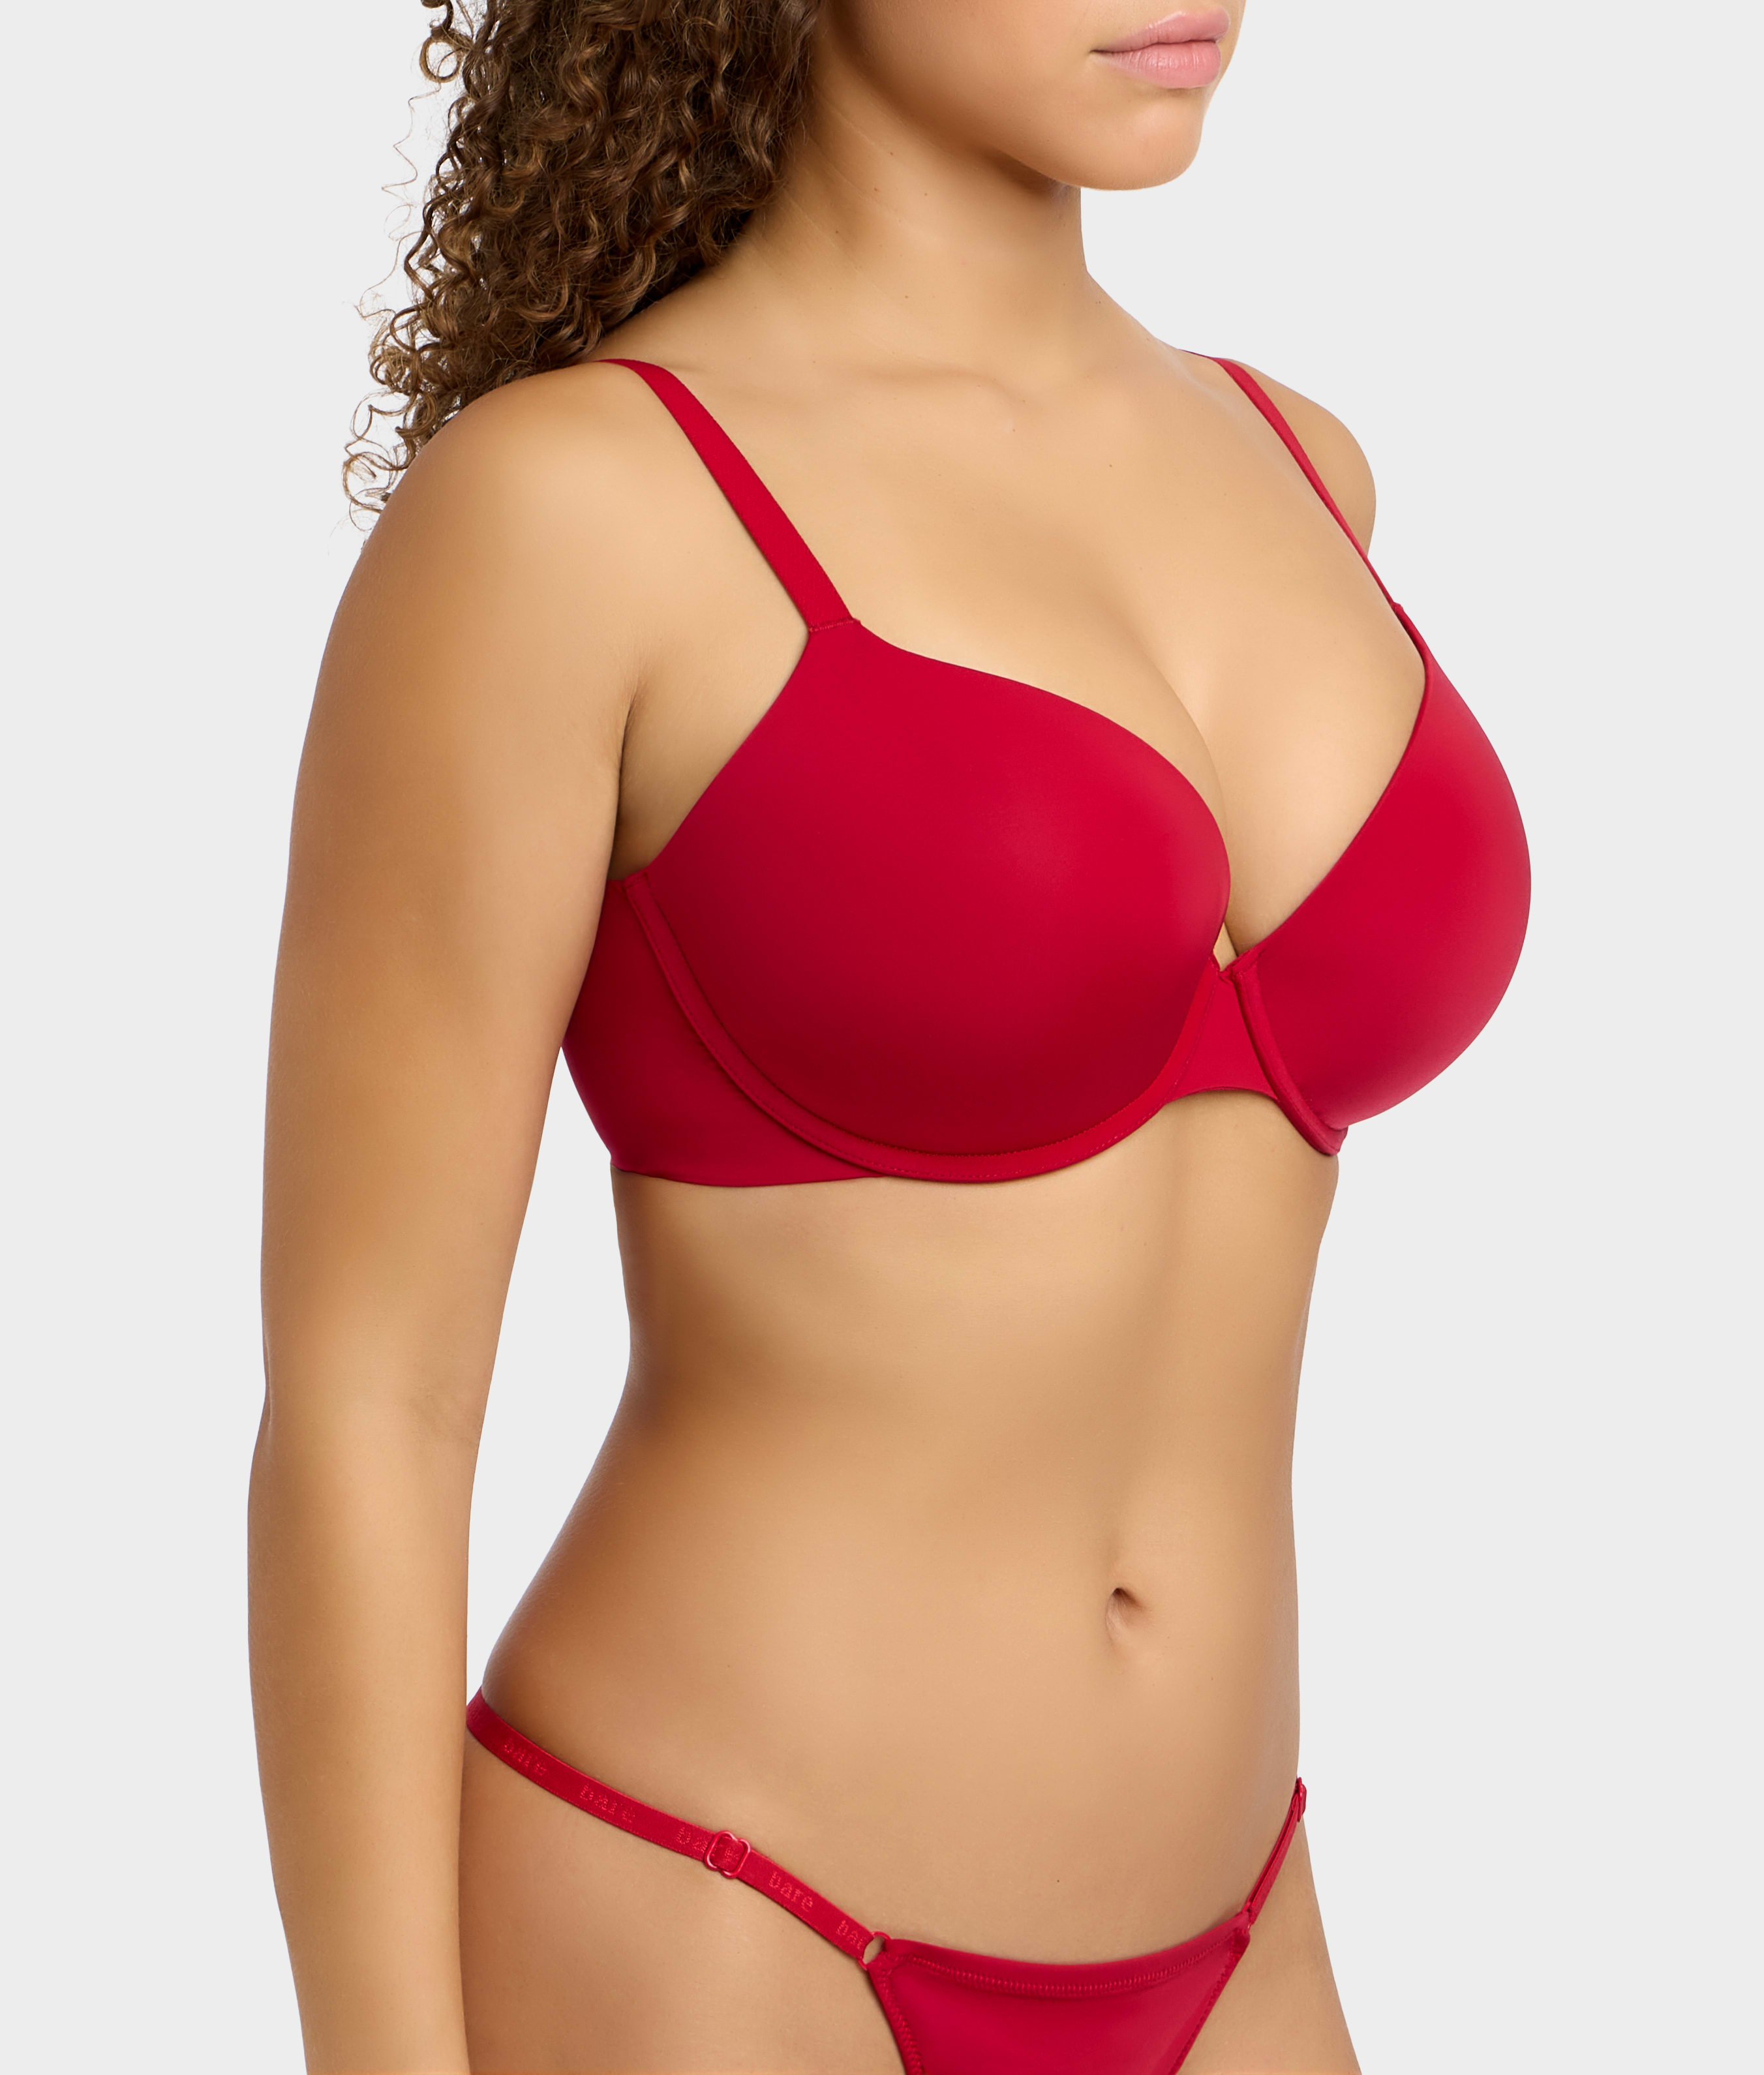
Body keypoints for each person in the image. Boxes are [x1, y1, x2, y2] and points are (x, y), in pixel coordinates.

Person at [251, 4, 1529, 2070]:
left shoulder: (1301, 463)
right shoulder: (570, 515)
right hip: (720, 1920)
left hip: (1241, 1932)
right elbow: (368, 1408)